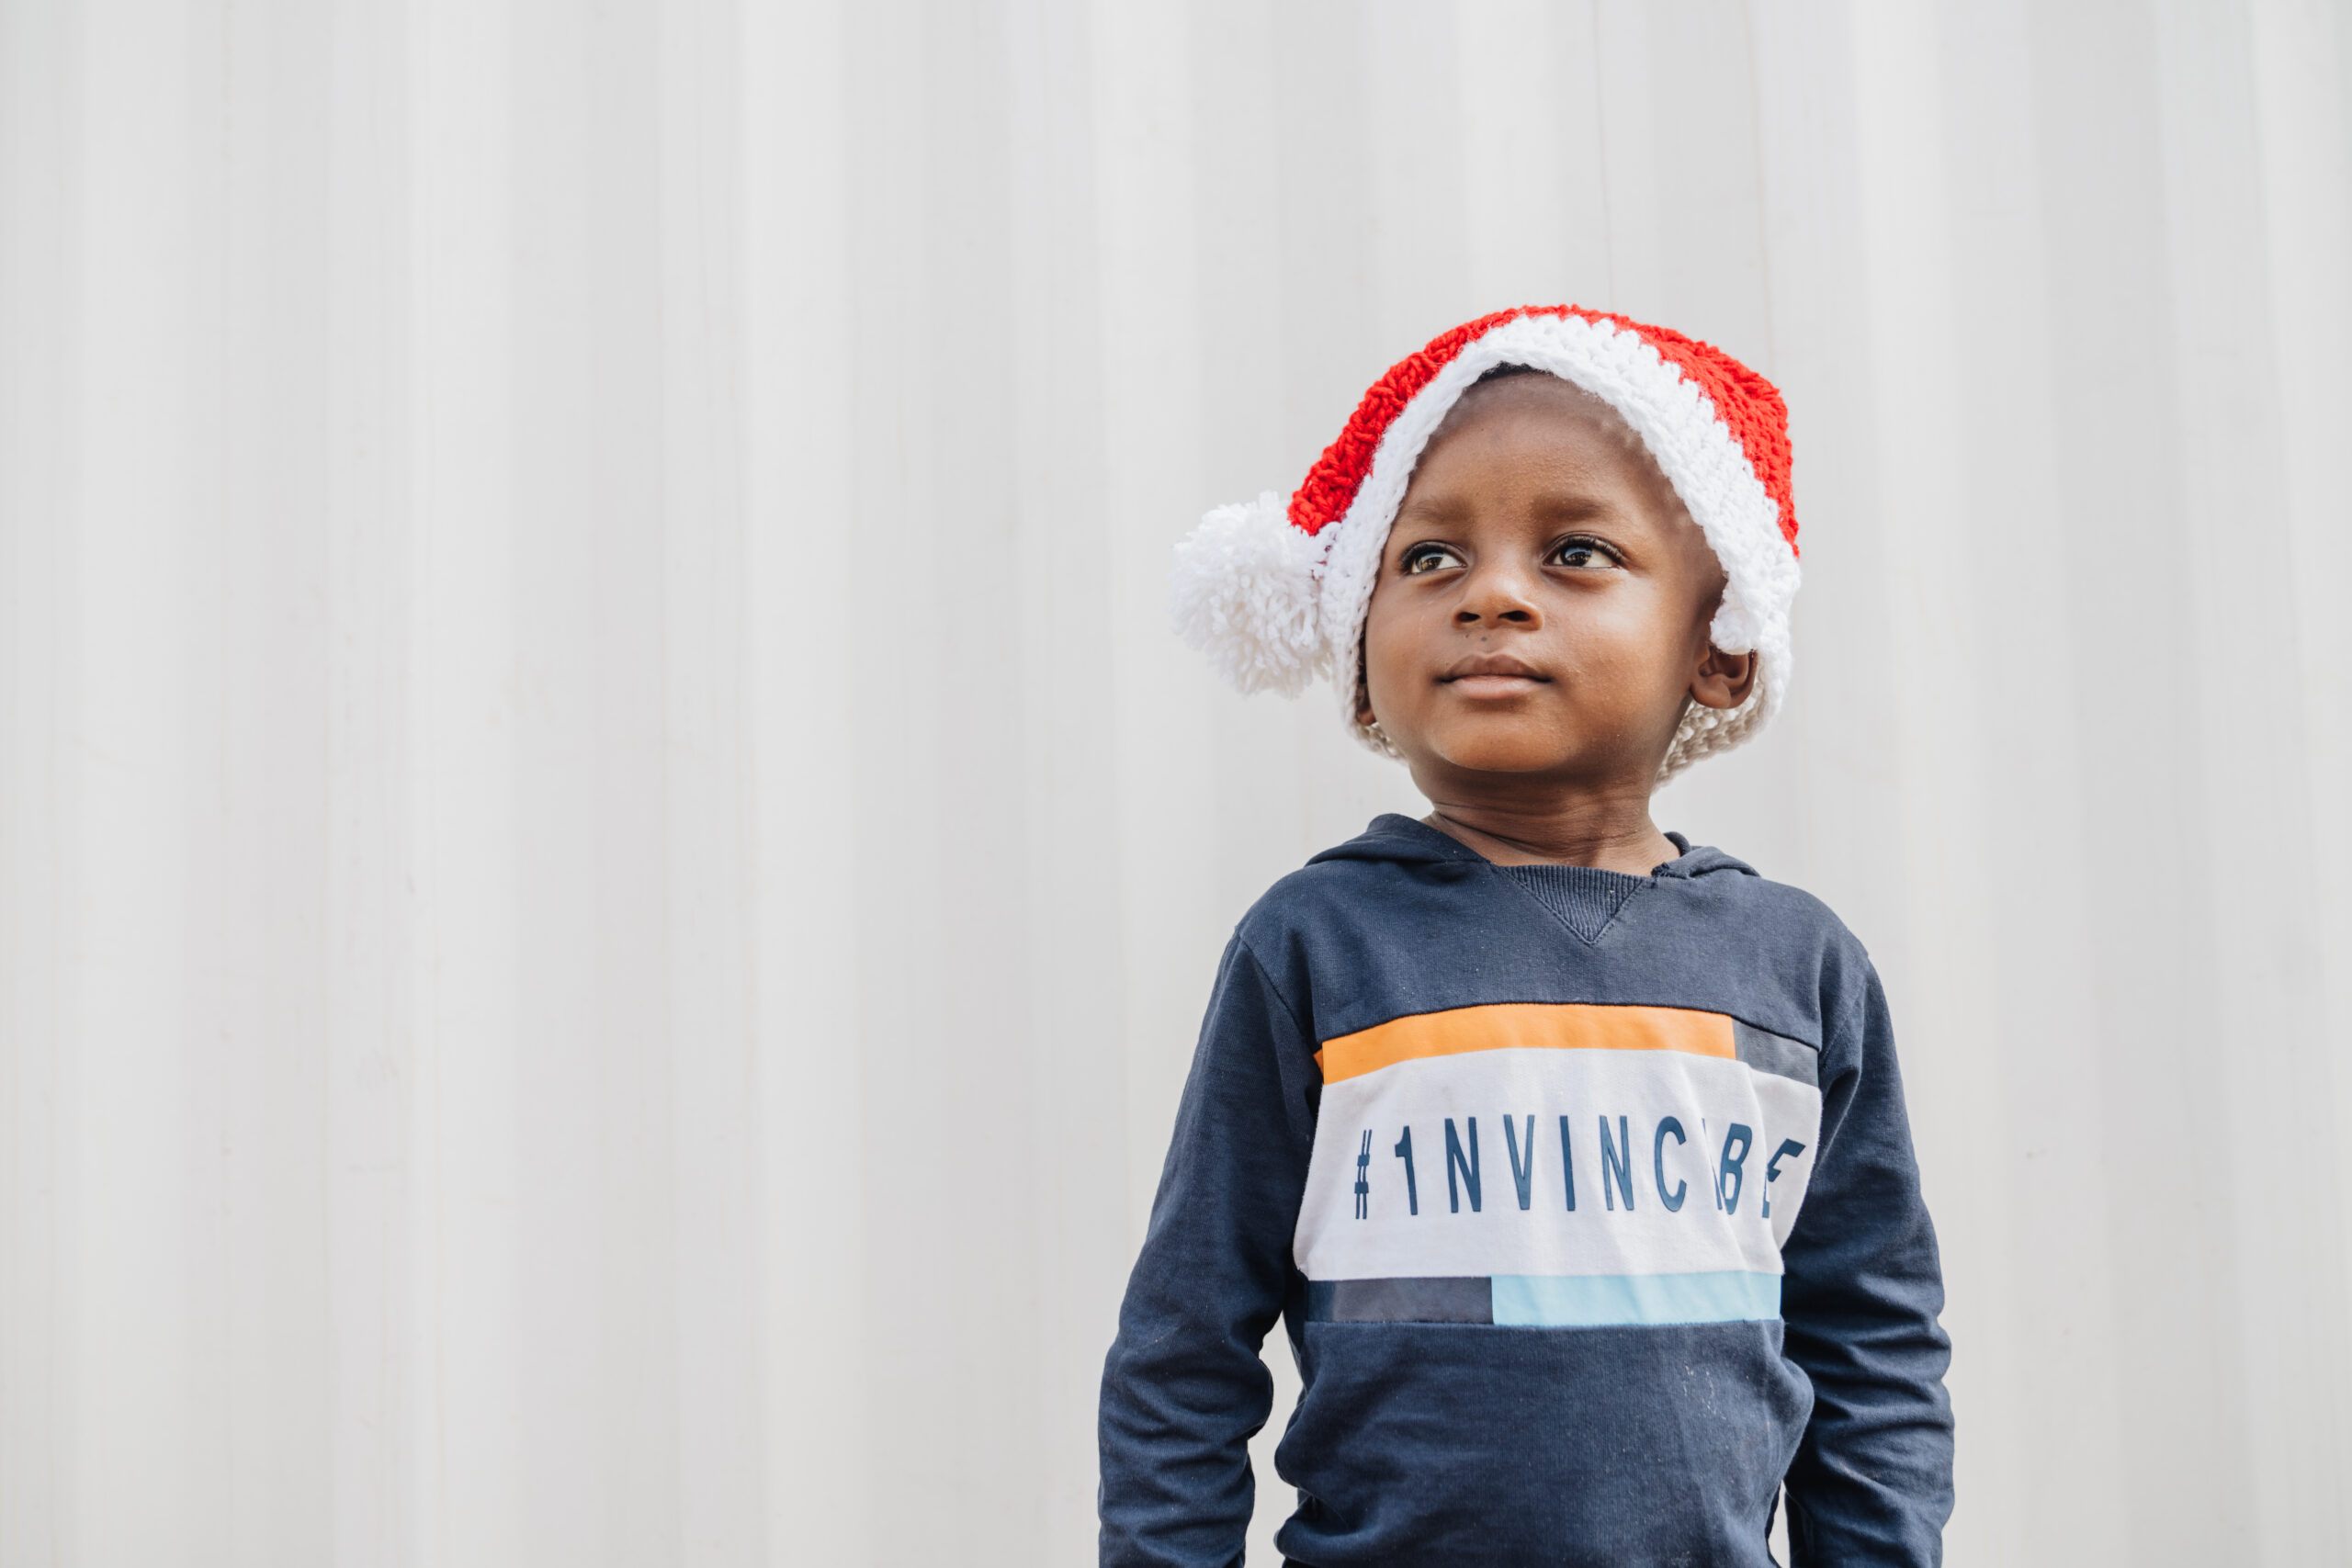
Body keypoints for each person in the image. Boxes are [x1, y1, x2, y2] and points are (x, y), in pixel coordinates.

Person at [1099, 307, 1954, 1566]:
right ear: (1354, 640)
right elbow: (1188, 1340)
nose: (1492, 593)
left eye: (1575, 552)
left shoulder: (1797, 969)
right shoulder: (1316, 950)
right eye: (1431, 559)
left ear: (1718, 648)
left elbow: (1871, 1339)